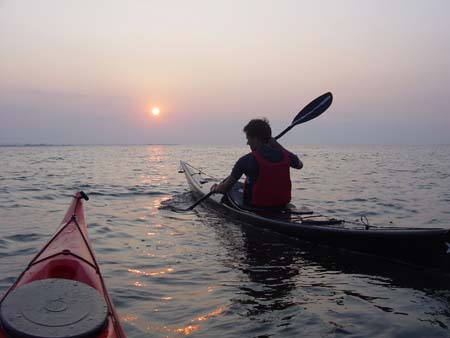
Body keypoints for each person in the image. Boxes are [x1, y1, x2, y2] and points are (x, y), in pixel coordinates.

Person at [210, 118, 303, 207]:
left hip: (256, 205)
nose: (247, 143)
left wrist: (215, 188)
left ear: (256, 139)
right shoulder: (285, 155)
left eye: (248, 139)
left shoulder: (245, 160)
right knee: (238, 184)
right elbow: (299, 165)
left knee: (231, 185)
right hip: (281, 204)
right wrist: (277, 145)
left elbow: (224, 188)